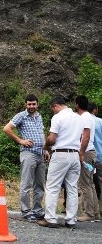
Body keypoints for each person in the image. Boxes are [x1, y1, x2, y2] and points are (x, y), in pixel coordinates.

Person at [37, 96, 82, 228]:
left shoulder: (58, 117)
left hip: (61, 154)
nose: (53, 111)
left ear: (55, 106)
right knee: (72, 188)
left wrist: (46, 146)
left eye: (53, 109)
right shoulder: (78, 118)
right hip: (75, 154)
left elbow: (52, 139)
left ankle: (50, 218)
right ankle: (71, 219)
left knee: (52, 186)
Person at [3, 94, 47, 221]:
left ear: (37, 104)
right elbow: (7, 129)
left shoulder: (39, 116)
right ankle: (26, 211)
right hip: (28, 153)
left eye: (34, 104)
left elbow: (42, 133)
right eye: (29, 104)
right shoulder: (21, 116)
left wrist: (45, 149)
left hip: (40, 153)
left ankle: (38, 211)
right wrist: (20, 141)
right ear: (25, 104)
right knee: (26, 183)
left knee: (39, 185)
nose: (31, 106)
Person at [75, 95, 99, 222]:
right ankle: (95, 212)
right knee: (90, 184)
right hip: (90, 152)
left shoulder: (84, 117)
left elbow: (86, 136)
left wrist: (81, 153)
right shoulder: (88, 117)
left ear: (77, 104)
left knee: (84, 184)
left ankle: (89, 213)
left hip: (87, 152)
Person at [88, 101, 102, 219]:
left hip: (88, 156)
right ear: (95, 110)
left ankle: (90, 210)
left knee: (88, 183)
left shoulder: (83, 121)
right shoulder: (100, 122)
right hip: (100, 157)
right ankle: (99, 212)